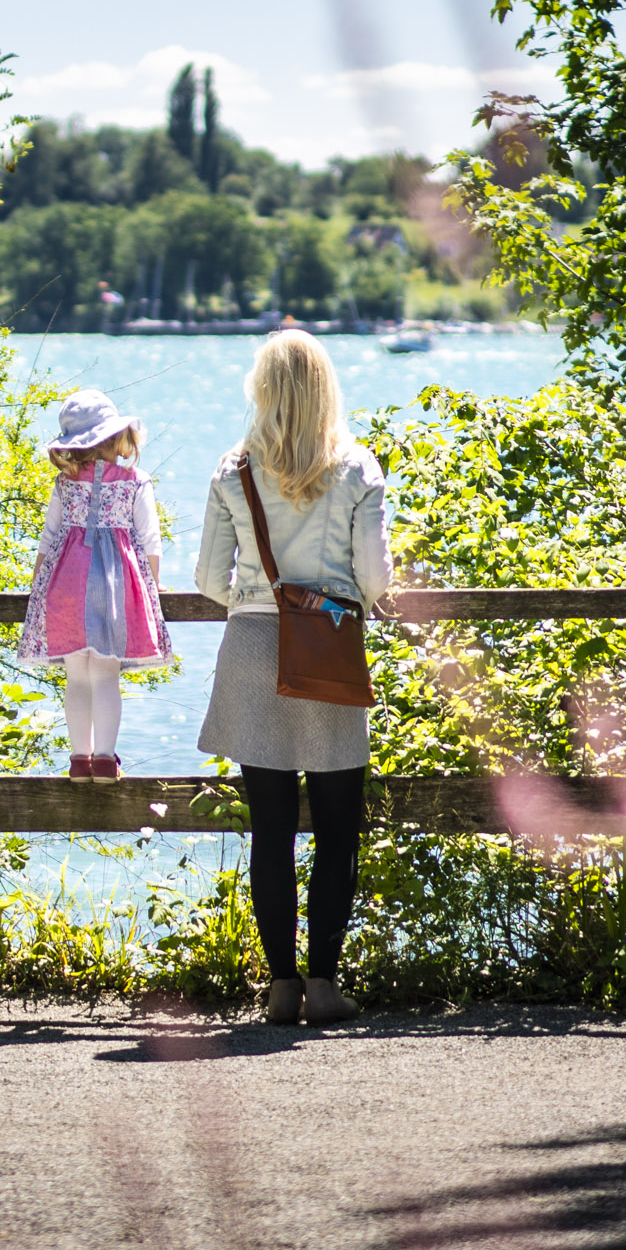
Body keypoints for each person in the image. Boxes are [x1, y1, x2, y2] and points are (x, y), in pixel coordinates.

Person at [194, 329, 391, 1028]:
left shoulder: (230, 469)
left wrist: (257, 603)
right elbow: (373, 579)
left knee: (269, 831)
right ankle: (325, 984)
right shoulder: (356, 469)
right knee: (338, 831)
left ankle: (280, 987)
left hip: (250, 646)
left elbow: (202, 581)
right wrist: (333, 607)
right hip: (328, 646)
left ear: (263, 389)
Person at [18, 390, 171, 778]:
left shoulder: (64, 483)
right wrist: (153, 589)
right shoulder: (136, 482)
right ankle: (104, 758)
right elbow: (150, 541)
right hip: (116, 585)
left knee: (76, 676)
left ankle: (77, 759)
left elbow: (49, 539)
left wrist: (38, 588)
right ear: (116, 437)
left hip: (66, 585)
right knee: (106, 674)